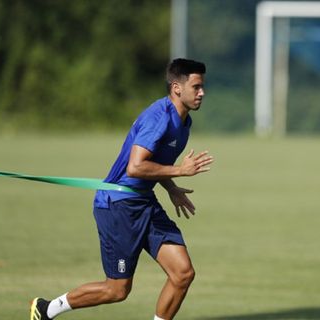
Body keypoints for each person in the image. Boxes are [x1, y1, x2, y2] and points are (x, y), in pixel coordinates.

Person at [30, 58, 213, 320]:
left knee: (183, 273)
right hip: (118, 206)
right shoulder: (158, 118)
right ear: (176, 88)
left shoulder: (184, 124)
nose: (202, 92)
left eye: (202, 86)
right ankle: (46, 309)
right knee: (117, 290)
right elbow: (135, 168)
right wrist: (180, 171)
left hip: (144, 202)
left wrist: (171, 187)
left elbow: (156, 164)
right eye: (196, 87)